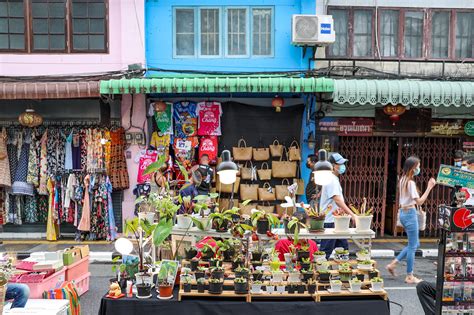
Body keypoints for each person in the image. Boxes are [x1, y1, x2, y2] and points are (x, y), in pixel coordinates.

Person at [386, 156, 437, 284]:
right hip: (409, 214)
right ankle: (409, 276)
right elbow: (419, 201)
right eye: (418, 166)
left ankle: (393, 264)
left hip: (404, 213)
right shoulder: (410, 182)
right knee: (413, 246)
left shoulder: (402, 179)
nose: (419, 169)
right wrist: (429, 187)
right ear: (413, 168)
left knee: (413, 244)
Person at [318, 153, 356, 259]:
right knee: (325, 252)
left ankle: (342, 272)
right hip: (330, 222)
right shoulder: (331, 179)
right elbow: (337, 199)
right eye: (340, 163)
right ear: (333, 166)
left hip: (336, 222)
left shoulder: (333, 178)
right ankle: (319, 273)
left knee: (343, 249)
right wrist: (352, 214)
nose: (343, 166)